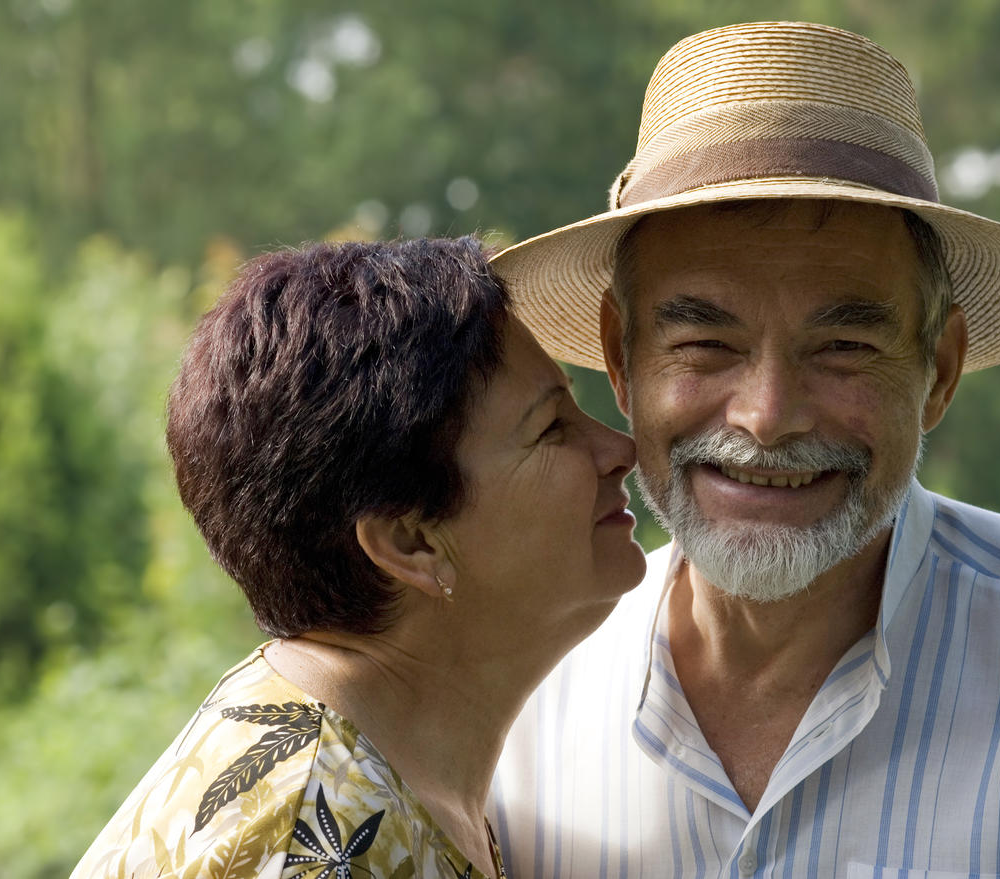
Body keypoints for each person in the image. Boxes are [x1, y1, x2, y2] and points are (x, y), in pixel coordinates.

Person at [490, 21, 1000, 877]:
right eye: (707, 345)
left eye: (842, 348)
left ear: (940, 370)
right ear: (621, 359)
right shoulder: (519, 700)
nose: (768, 417)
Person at [70, 237, 646, 878]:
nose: (619, 448)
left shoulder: (377, 772)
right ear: (411, 542)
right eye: (549, 429)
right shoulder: (309, 837)